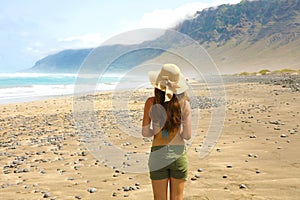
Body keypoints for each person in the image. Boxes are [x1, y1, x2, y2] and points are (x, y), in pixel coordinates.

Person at [142, 64, 192, 200]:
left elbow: (145, 133)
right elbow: (187, 136)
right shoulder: (184, 104)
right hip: (178, 155)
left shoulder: (150, 103)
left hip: (158, 155)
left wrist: (156, 130)